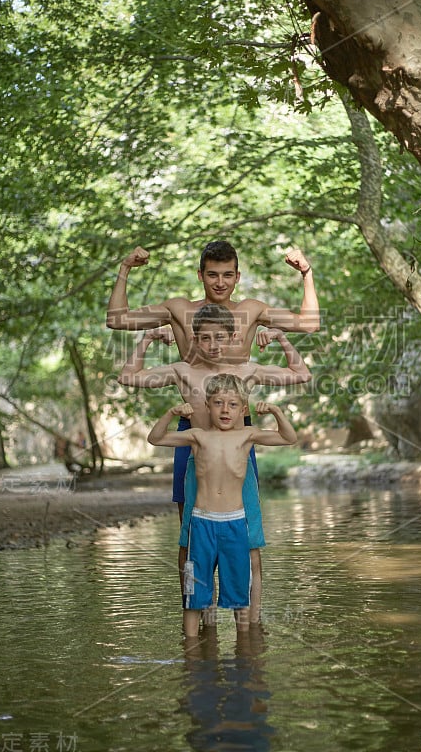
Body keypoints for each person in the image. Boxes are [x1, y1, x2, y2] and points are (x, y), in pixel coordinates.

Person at [118, 303, 311, 622]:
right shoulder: (183, 371)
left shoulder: (246, 371)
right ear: (194, 339)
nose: (212, 345)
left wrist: (280, 338)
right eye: (204, 338)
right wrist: (148, 339)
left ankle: (250, 623)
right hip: (200, 467)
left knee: (250, 547)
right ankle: (200, 620)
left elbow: (301, 374)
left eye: (219, 337)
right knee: (194, 546)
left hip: (238, 469)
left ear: (234, 337)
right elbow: (128, 376)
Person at [147, 374, 297, 637]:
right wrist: (171, 412)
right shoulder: (197, 436)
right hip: (201, 523)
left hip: (235, 523)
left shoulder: (247, 435)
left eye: (232, 404)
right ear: (207, 405)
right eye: (218, 403)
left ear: (243, 408)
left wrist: (275, 410)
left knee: (240, 596)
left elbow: (288, 437)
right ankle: (191, 652)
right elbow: (155, 438)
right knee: (194, 593)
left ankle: (245, 650)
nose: (225, 410)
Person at [106, 240, 320, 362]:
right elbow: (117, 320)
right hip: (193, 425)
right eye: (212, 275)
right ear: (200, 275)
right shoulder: (180, 310)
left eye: (227, 275)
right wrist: (125, 268)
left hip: (237, 427)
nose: (220, 283)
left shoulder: (251, 310)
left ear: (237, 277)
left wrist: (306, 273)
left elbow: (309, 324)